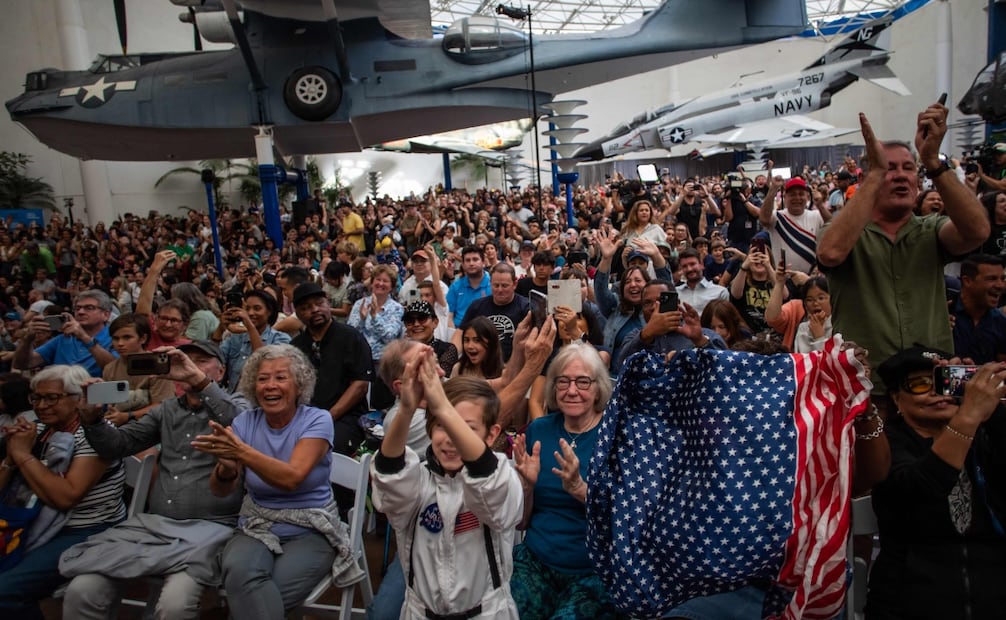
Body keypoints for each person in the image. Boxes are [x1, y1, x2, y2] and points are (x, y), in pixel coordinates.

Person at [817, 100, 990, 399]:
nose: (899, 175)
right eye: (888, 169)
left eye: (908, 168)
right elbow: (830, 253)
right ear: (866, 179)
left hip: (933, 385)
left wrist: (933, 162)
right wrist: (874, 175)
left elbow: (978, 231)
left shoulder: (932, 229)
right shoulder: (844, 233)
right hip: (868, 390)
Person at [61, 341, 244, 620]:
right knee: (81, 589)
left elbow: (241, 424)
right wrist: (93, 420)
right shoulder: (166, 410)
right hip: (154, 528)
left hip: (212, 529)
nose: (189, 366)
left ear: (220, 372)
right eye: (184, 361)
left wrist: (197, 380)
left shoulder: (240, 404)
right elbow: (118, 446)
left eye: (200, 361)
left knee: (174, 605)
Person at [193, 344, 362, 620]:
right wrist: (226, 468)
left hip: (311, 529)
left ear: (299, 385)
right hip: (256, 525)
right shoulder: (244, 422)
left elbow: (292, 478)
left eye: (281, 377)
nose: (270, 386)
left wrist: (240, 452)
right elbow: (220, 490)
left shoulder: (317, 420)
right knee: (241, 573)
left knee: (255, 593)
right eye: (262, 379)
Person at [372, 349, 523, 620]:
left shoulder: (501, 474)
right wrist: (407, 409)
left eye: (465, 428)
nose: (450, 439)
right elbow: (389, 480)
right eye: (441, 426)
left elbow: (490, 490)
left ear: (492, 435)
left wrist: (441, 406)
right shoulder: (417, 479)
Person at [867, 348, 1006, 619]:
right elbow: (919, 492)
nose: (936, 393)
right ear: (896, 398)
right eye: (919, 384)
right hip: (909, 602)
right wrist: (968, 416)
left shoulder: (985, 437)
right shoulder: (886, 445)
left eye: (947, 381)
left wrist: (992, 411)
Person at [0, 365, 126, 619]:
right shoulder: (37, 431)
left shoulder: (97, 435)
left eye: (52, 398)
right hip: (29, 521)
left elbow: (66, 497)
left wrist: (23, 455)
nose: (41, 406)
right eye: (36, 398)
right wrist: (11, 460)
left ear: (78, 398)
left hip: (86, 528)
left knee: (6, 591)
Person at [510, 344, 618, 619]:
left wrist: (581, 491)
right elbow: (521, 522)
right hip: (536, 560)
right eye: (563, 381)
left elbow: (629, 521)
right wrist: (527, 486)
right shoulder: (538, 430)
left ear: (598, 388)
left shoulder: (616, 437)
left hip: (594, 571)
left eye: (582, 381)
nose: (571, 390)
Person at [290, 283, 373, 455]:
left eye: (319, 303)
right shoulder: (295, 347)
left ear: (328, 304)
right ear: (298, 314)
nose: (314, 310)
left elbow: (360, 385)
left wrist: (328, 417)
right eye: (306, 308)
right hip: (306, 415)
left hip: (346, 416)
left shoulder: (351, 337)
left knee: (326, 446)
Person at [12, 289, 117, 377]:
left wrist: (84, 338)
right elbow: (22, 364)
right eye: (77, 308)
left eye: (89, 308)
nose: (80, 312)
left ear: (106, 315)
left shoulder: (115, 338)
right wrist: (27, 339)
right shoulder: (63, 338)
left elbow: (115, 370)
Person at [99, 313, 174, 425]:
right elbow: (110, 405)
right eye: (116, 338)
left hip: (154, 427)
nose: (120, 343)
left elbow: (163, 406)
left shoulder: (158, 366)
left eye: (127, 337)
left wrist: (128, 416)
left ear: (143, 338)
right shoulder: (110, 369)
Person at [348, 264, 404, 410]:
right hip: (360, 359)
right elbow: (350, 334)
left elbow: (390, 337)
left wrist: (374, 317)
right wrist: (361, 318)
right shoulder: (359, 304)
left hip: (383, 362)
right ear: (371, 282)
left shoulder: (396, 308)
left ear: (391, 286)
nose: (380, 284)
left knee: (380, 403)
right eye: (377, 280)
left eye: (385, 281)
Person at [216, 289, 292, 392]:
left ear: (269, 312)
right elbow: (215, 359)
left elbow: (264, 362)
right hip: (233, 399)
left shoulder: (281, 339)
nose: (251, 313)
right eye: (247, 309)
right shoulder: (235, 338)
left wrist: (249, 325)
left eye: (257, 308)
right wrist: (221, 327)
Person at [454, 263, 529, 363]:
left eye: (505, 286)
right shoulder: (477, 306)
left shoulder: (525, 308)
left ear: (514, 284)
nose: (500, 290)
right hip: (481, 364)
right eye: (496, 285)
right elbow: (460, 333)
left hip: (512, 365)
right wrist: (450, 356)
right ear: (490, 283)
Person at [759, 171, 830, 274]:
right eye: (792, 195)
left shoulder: (816, 215)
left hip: (812, 281)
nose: (797, 198)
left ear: (807, 197)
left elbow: (832, 226)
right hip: (783, 280)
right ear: (785, 197)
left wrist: (820, 205)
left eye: (801, 194)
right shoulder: (777, 217)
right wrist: (772, 190)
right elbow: (764, 219)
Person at [952, 254, 1006, 364]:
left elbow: (1003, 367)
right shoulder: (942, 314)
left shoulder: (1001, 322)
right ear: (967, 281)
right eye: (992, 279)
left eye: (1003, 279)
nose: (1000, 285)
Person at [403, 300, 458, 377]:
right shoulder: (401, 350)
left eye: (422, 318)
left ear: (435, 322)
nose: (416, 324)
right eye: (410, 321)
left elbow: (440, 378)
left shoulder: (447, 349)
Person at [446, 246, 491, 328]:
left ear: (483, 262)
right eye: (467, 260)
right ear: (462, 264)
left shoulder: (493, 284)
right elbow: (449, 316)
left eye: (475, 259)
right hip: (460, 332)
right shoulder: (455, 287)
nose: (471, 263)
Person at [676, 247, 729, 315]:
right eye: (684, 266)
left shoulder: (720, 292)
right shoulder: (676, 293)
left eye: (692, 264)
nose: (689, 269)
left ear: (701, 265)